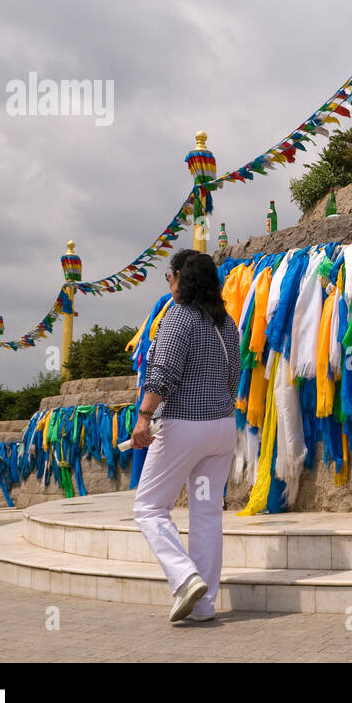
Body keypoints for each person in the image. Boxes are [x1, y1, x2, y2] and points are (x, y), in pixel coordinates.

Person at [130, 249, 241, 623]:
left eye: (169, 276)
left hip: (184, 426)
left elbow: (163, 372)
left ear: (179, 276)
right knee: (207, 515)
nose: (169, 283)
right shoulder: (227, 322)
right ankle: (203, 606)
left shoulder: (179, 316)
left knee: (149, 507)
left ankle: (183, 576)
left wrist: (144, 416)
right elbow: (233, 378)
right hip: (222, 429)